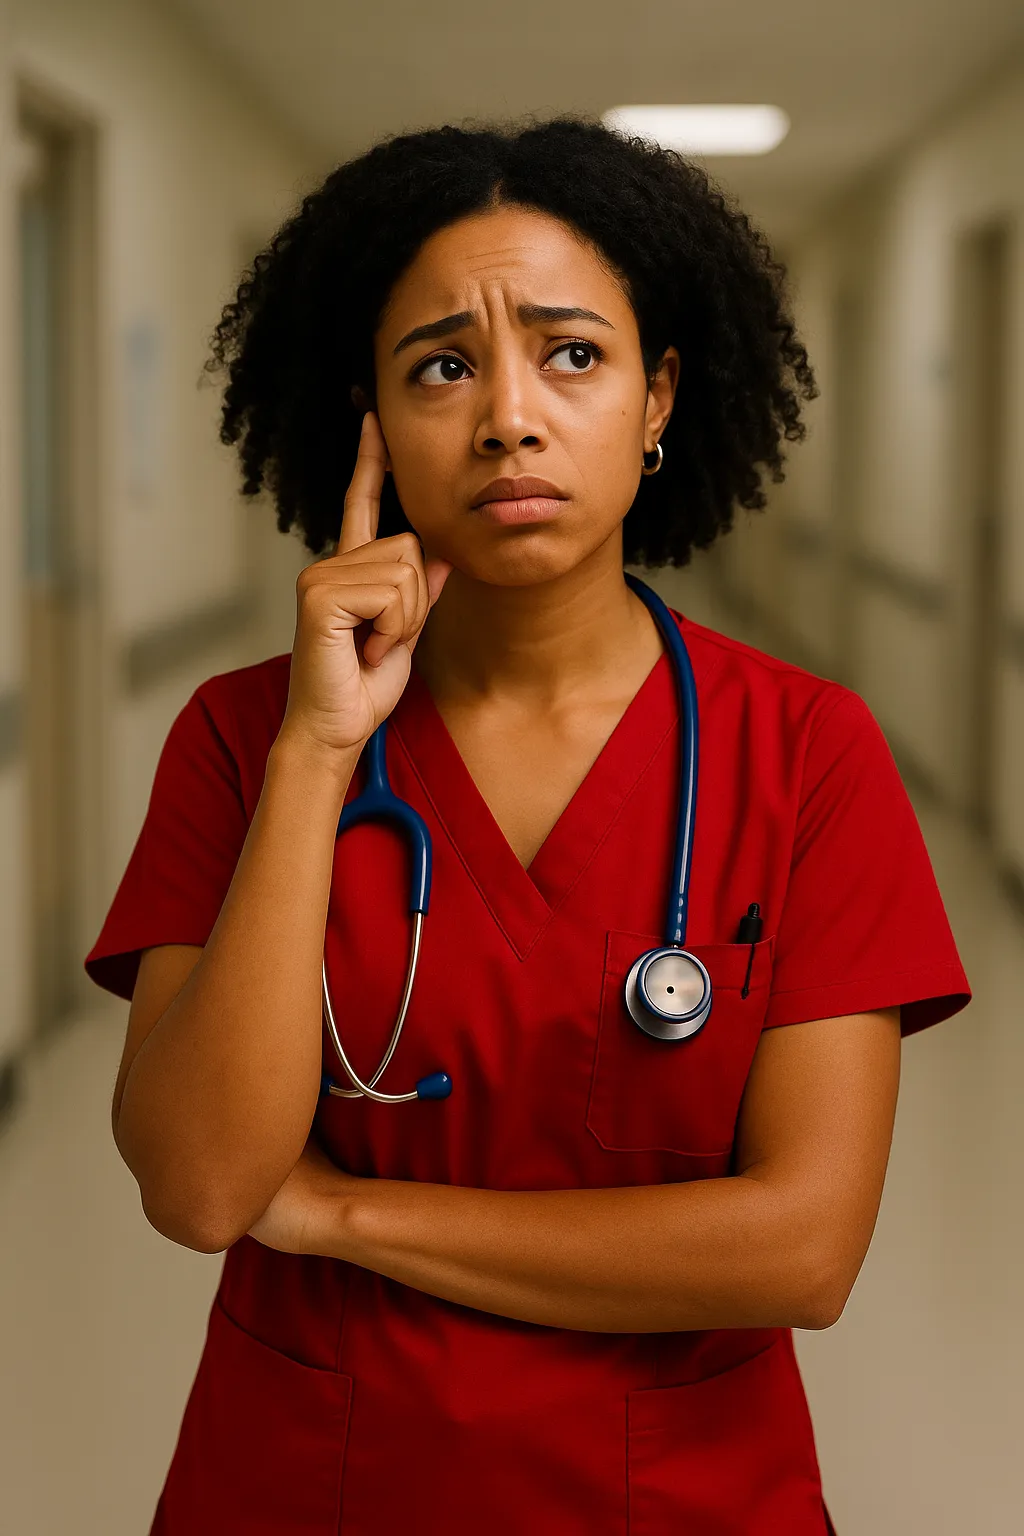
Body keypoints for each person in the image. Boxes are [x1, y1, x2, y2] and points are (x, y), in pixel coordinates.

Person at [85, 117, 970, 1535]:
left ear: (656, 394)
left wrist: (340, 1214)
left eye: (571, 354)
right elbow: (200, 1186)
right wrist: (320, 751)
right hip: (314, 1487)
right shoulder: (241, 738)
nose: (509, 414)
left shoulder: (807, 753)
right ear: (370, 422)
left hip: (679, 1499)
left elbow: (802, 1250)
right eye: (443, 366)